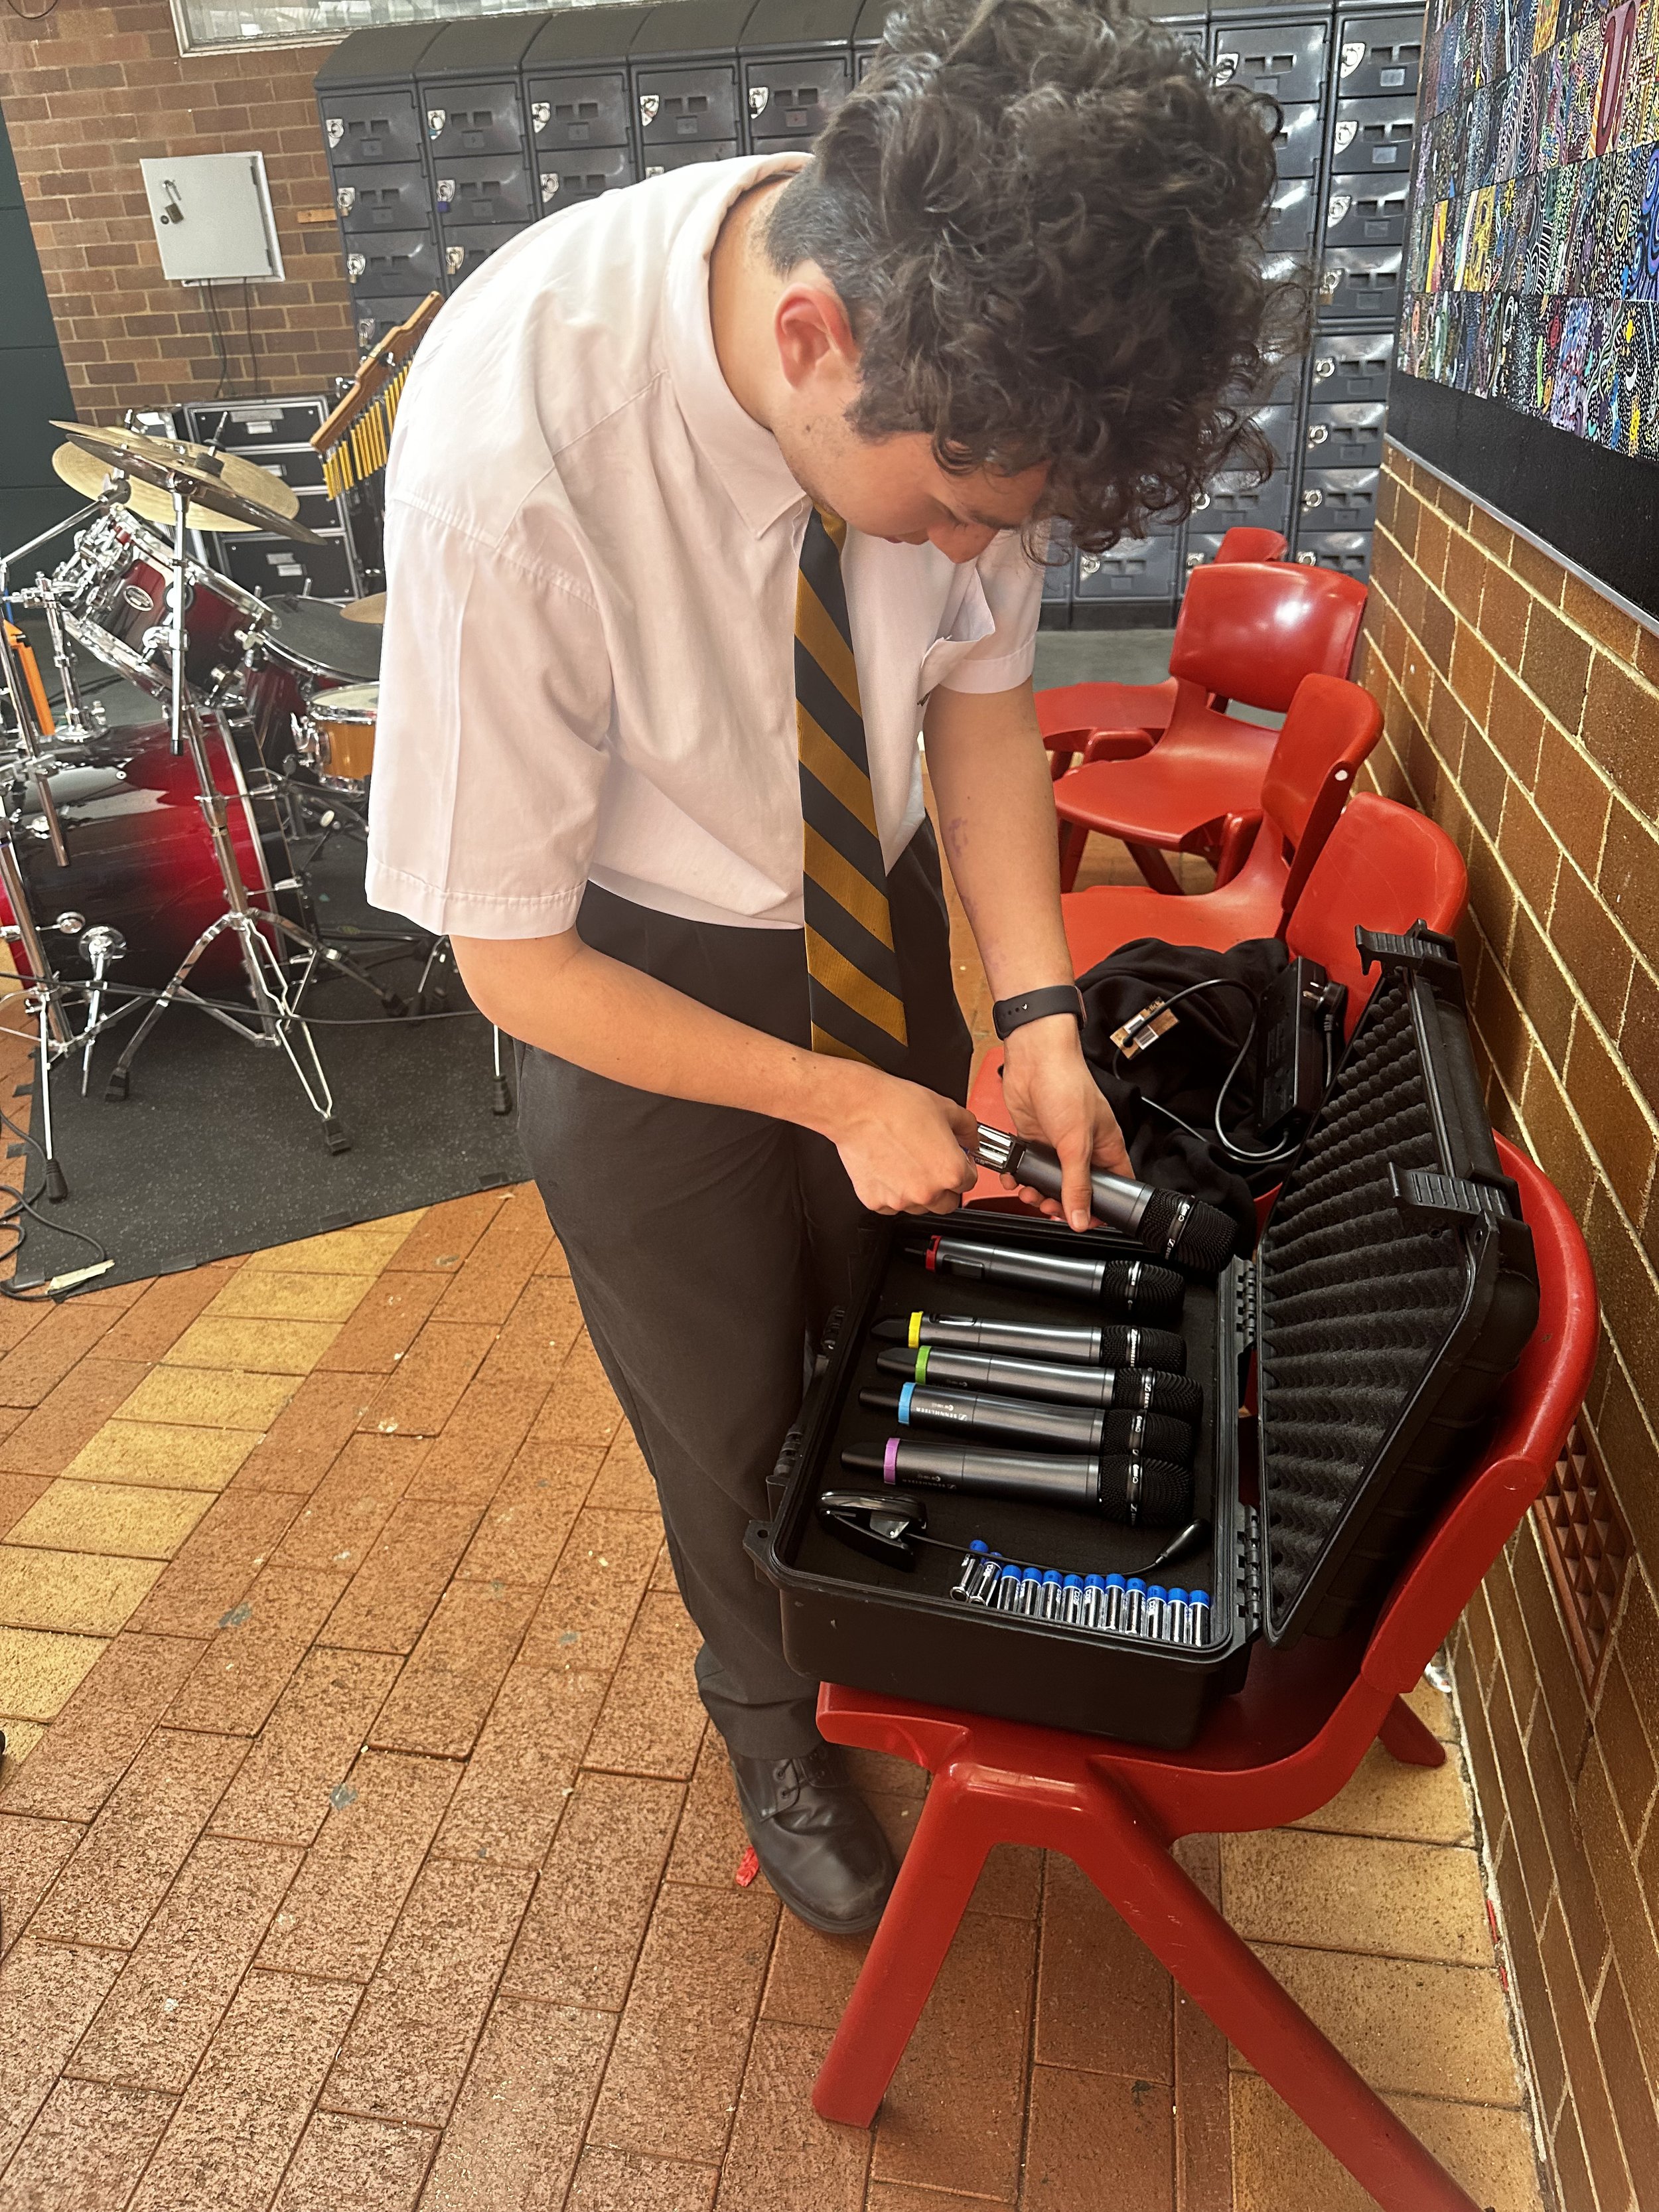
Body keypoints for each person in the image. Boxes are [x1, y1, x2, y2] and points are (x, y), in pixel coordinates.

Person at [368, 0, 1285, 1935]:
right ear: (811, 337)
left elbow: (977, 698)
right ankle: (770, 1717)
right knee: (716, 1397)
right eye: (952, 506)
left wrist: (1033, 1009)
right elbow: (508, 958)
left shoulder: (969, 345)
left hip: (864, 884)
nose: (968, 544)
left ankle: (918, 1631)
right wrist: (824, 1090)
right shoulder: (507, 446)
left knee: (892, 1299)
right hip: (625, 956)